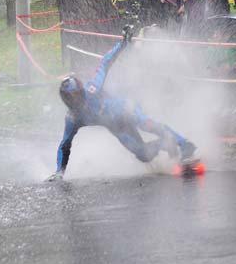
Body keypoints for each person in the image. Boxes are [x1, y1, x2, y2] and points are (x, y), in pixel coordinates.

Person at [48, 26, 196, 180]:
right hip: (117, 127)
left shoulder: (92, 88)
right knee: (143, 155)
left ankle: (185, 144)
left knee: (147, 124)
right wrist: (59, 172)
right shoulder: (72, 119)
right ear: (65, 100)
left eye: (76, 95)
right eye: (70, 98)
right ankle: (166, 143)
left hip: (126, 108)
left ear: (81, 91)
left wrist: (123, 42)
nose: (75, 100)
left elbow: (105, 63)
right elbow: (65, 144)